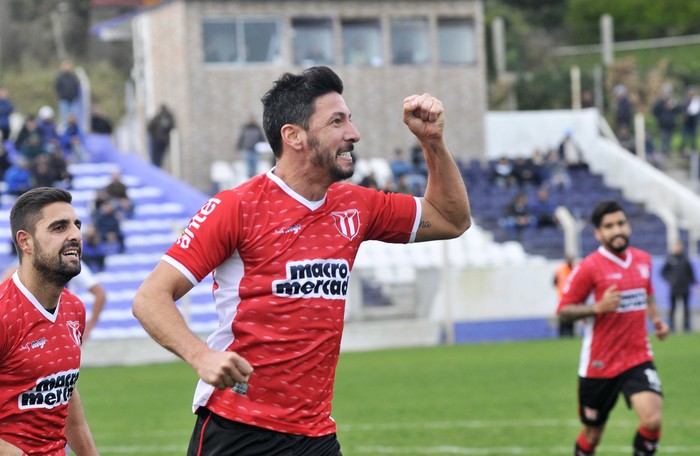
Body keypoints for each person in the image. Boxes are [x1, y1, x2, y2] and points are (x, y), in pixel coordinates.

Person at [132, 65, 470, 456]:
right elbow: (150, 298)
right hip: (238, 429)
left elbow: (451, 218)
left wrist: (433, 142)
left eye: (350, 120)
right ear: (293, 136)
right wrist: (201, 356)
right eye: (337, 122)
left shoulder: (357, 205)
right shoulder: (236, 207)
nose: (353, 134)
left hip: (316, 436)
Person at [557, 200, 669, 456]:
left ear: (628, 226)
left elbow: (647, 293)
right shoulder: (588, 267)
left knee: (652, 421)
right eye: (608, 226)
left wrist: (657, 320)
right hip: (599, 364)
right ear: (598, 233)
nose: (616, 230)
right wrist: (596, 308)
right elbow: (563, 312)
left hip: (637, 356)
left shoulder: (643, 260)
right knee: (592, 435)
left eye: (620, 223)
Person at [0, 187, 99, 455]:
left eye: (76, 225)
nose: (74, 235)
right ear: (26, 242)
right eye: (59, 227)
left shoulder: (74, 308)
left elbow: (65, 393)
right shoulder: (3, 313)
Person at [661, 239, 696, 332]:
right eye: (676, 246)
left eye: (679, 246)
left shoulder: (685, 259)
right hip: (674, 288)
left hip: (685, 288)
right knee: (673, 309)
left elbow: (690, 273)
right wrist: (670, 280)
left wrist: (694, 283)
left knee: (686, 308)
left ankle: (686, 327)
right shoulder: (670, 259)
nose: (678, 248)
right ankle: (671, 327)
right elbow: (663, 272)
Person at [237, 114, 266, 179]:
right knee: (248, 168)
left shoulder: (257, 128)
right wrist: (239, 147)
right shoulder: (245, 128)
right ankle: (249, 179)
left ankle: (254, 179)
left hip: (255, 151)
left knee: (255, 167)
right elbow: (241, 138)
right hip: (247, 150)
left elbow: (261, 138)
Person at [54, 59, 82, 127]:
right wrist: (61, 96)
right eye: (65, 66)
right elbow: (57, 88)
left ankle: (74, 133)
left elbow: (77, 86)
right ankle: (65, 133)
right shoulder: (59, 77)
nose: (67, 67)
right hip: (64, 100)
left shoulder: (73, 77)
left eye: (68, 66)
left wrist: (75, 96)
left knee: (74, 118)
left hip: (73, 100)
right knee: (65, 118)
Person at [553, 255, 575, 337]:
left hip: (572, 296)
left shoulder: (574, 269)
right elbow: (555, 282)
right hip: (562, 296)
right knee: (562, 314)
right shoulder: (560, 270)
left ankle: (570, 333)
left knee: (571, 314)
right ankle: (562, 333)